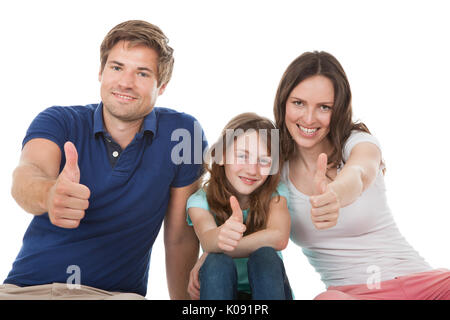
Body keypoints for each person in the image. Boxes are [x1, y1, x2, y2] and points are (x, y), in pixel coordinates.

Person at [0, 20, 207, 300]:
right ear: (101, 71)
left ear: (163, 84)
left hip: (114, 295)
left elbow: (180, 236)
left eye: (142, 73)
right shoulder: (59, 120)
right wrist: (49, 195)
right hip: (27, 290)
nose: (125, 82)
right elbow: (26, 175)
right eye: (117, 67)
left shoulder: (183, 133)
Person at [273, 50, 449, 300]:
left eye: (324, 107)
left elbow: (360, 173)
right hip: (352, 296)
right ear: (283, 102)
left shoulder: (358, 142)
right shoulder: (274, 169)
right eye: (298, 103)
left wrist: (336, 194)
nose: (309, 118)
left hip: (428, 286)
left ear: (339, 110)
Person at [186, 113, 292, 300]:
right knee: (217, 261)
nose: (252, 170)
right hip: (222, 290)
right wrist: (219, 239)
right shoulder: (199, 201)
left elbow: (279, 237)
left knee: (265, 256)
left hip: (269, 291)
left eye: (264, 160)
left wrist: (222, 248)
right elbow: (207, 239)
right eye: (242, 156)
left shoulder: (275, 193)